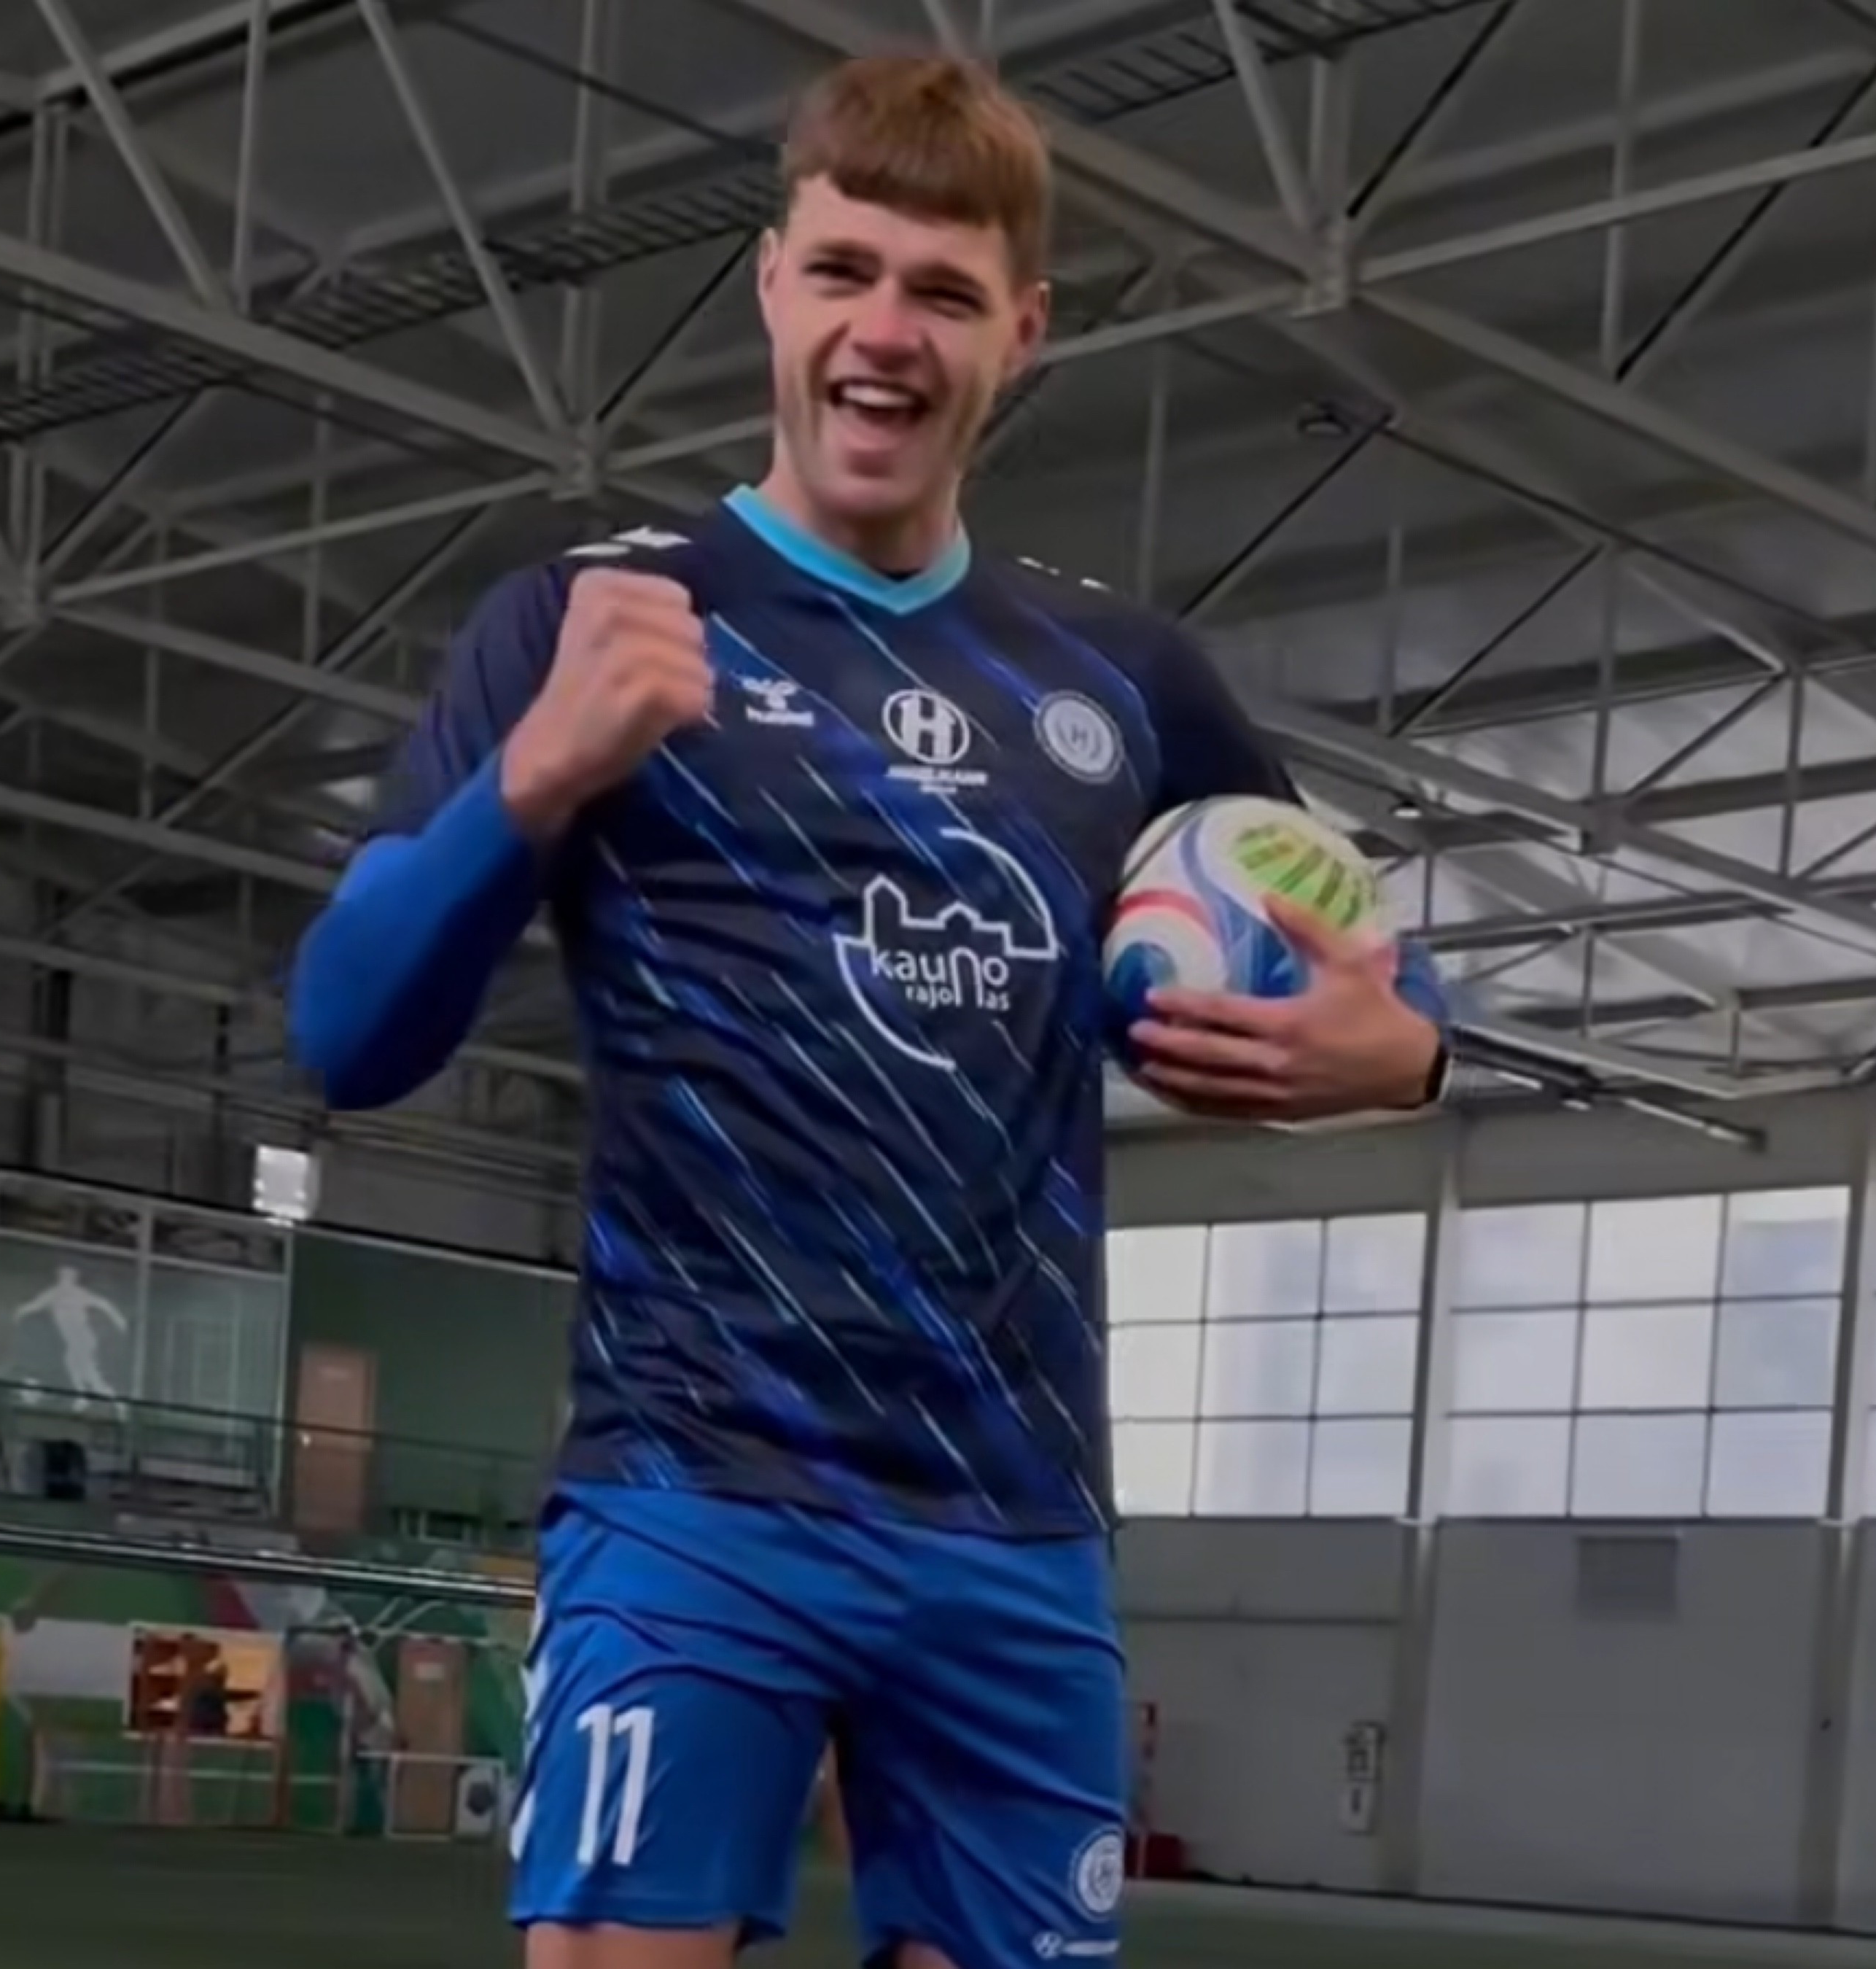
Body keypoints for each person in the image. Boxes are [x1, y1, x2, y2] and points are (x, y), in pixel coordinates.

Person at [286, 52, 1449, 1969]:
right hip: (695, 1493)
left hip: (1014, 1519)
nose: (884, 333)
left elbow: (1380, 969)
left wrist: (1404, 1053)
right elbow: (347, 1033)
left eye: (942, 292)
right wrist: (539, 775)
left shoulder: (1128, 681)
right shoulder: (589, 620)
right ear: (771, 285)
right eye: (842, 272)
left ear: (1023, 331)